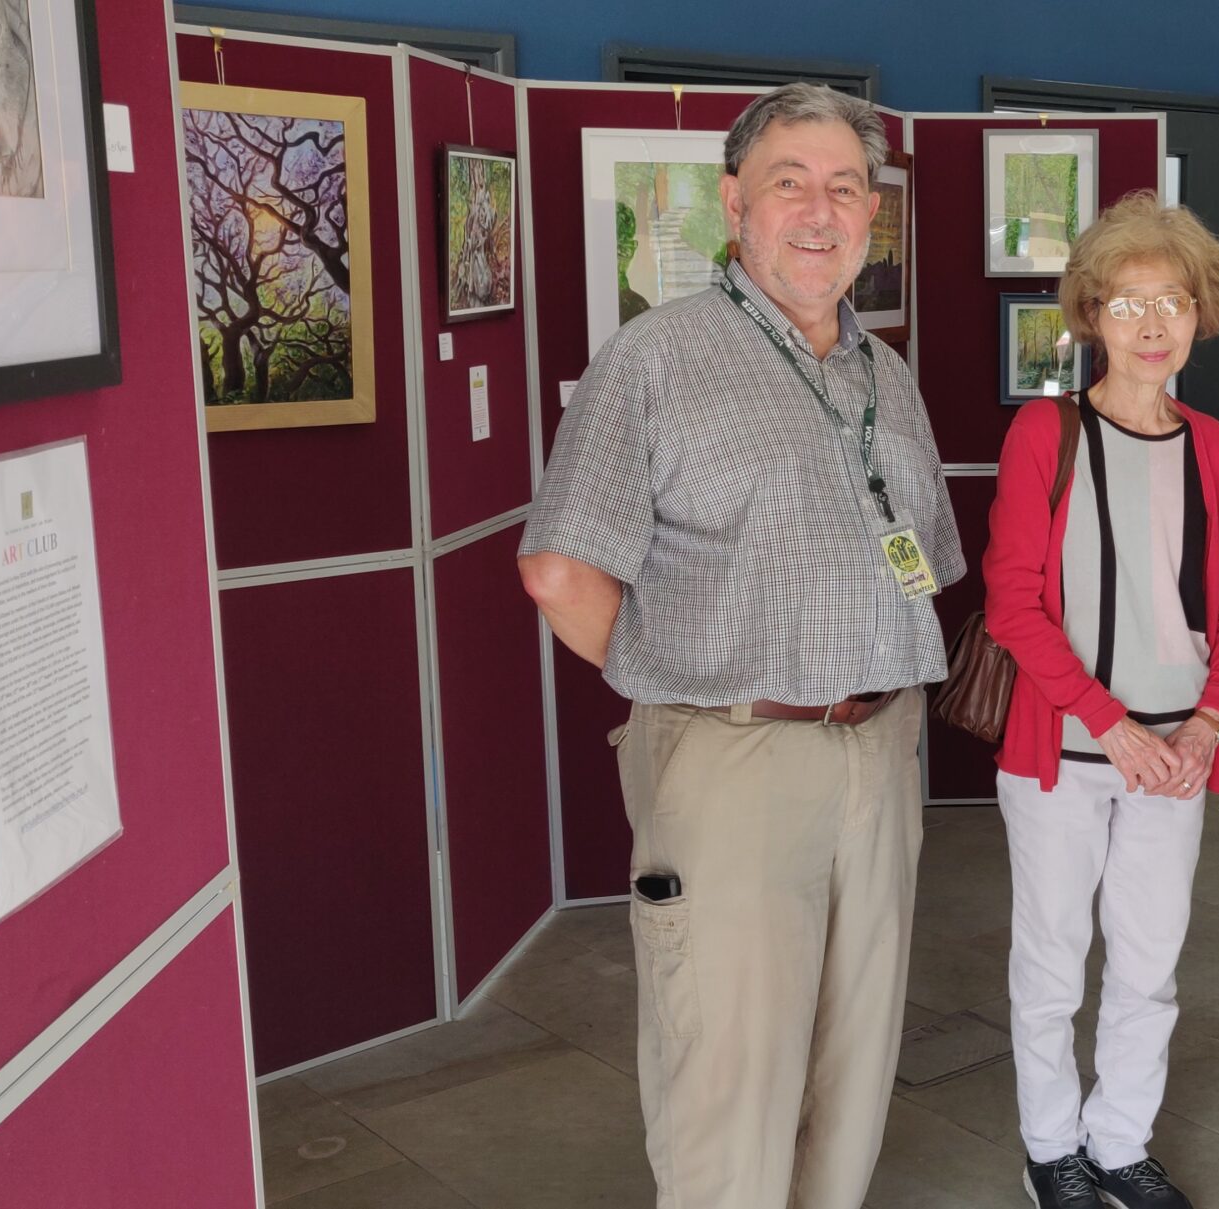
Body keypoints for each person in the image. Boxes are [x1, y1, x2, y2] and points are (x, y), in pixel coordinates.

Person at [517, 82, 964, 1209]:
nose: (820, 212)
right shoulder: (654, 359)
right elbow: (561, 572)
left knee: (851, 1071)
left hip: (880, 751)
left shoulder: (882, 372)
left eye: (845, 187)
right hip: (736, 757)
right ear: (734, 204)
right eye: (788, 184)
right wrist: (687, 678)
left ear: (874, 212)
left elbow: (920, 555)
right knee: (729, 1081)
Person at [982, 191, 1219, 1209]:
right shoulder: (1044, 435)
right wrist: (1108, 723)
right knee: (1051, 967)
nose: (1152, 325)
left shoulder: (1218, 447)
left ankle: (1119, 1144)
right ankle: (1051, 1149)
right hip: (1062, 750)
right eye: (1128, 302)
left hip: (1175, 754)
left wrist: (1206, 723)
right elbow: (1010, 605)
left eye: (1173, 301)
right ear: (1090, 315)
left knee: (1148, 969)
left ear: (1201, 312)